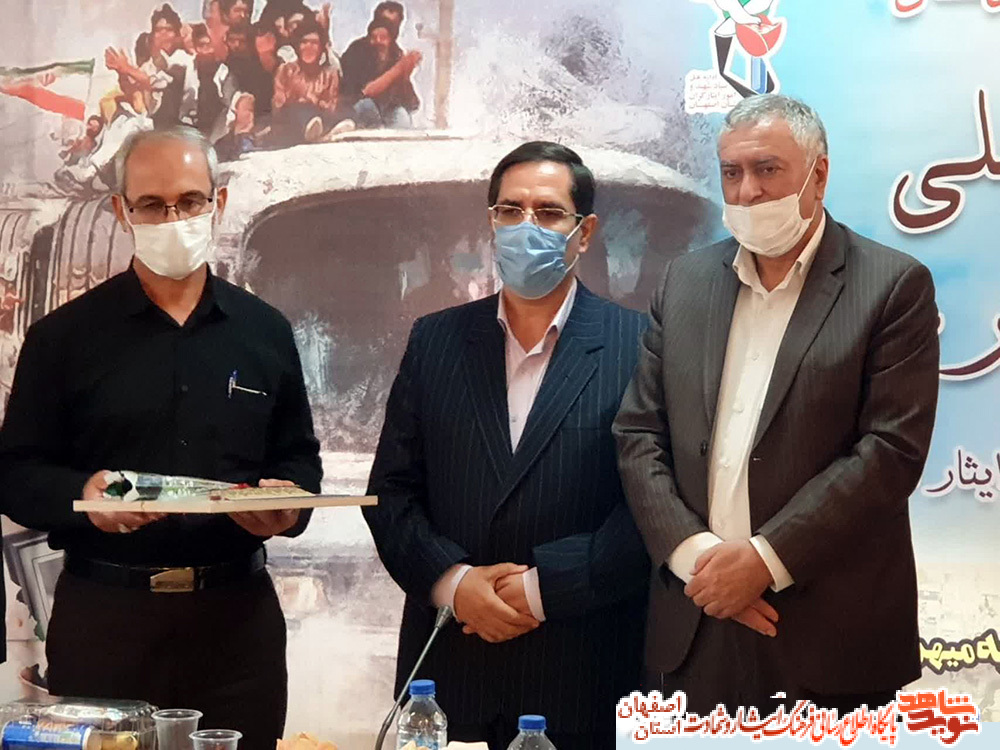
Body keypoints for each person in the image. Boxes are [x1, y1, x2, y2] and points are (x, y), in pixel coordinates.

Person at [613, 94, 940, 717]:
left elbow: (890, 451)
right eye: (731, 172)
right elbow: (638, 433)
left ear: (818, 174)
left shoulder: (892, 285)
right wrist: (701, 562)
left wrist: (764, 561)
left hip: (832, 639)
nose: (748, 191)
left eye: (767, 169)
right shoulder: (684, 281)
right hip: (697, 625)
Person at [0, 127, 322, 750]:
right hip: (105, 621)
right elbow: (14, 473)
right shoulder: (62, 338)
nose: (173, 219)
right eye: (151, 204)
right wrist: (84, 494)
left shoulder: (265, 332)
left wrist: (287, 507)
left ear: (217, 203)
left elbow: (298, 459)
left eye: (190, 201)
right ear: (121, 211)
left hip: (238, 625)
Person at [364, 141, 649, 749]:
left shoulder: (639, 344)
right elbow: (391, 492)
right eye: (510, 211)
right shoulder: (436, 340)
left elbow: (650, 508)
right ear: (491, 221)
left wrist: (544, 590)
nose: (527, 227)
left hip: (581, 670)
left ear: (584, 232)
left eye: (548, 213)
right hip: (450, 674)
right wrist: (454, 583)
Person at [272, 17, 355, 145]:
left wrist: (314, 103)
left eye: (314, 43)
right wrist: (308, 101)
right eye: (304, 42)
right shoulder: (286, 70)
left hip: (320, 116)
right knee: (299, 109)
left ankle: (326, 131)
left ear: (321, 48)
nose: (309, 47)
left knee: (343, 110)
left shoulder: (329, 74)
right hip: (291, 122)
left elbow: (331, 105)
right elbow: (279, 104)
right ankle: (314, 130)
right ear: (298, 46)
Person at [340, 12, 420, 129]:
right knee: (368, 107)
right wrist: (399, 68)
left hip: (387, 108)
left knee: (401, 116)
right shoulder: (358, 52)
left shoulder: (396, 55)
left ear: (390, 40)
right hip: (357, 107)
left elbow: (412, 104)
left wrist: (405, 74)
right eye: (373, 37)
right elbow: (367, 91)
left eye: (383, 37)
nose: (378, 41)